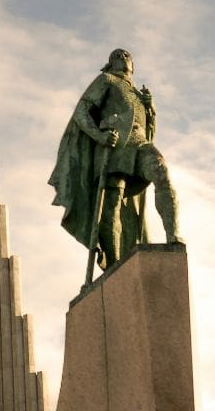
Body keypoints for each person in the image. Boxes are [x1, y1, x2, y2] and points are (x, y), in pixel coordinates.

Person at [48, 49, 181, 272]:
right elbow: (82, 111)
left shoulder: (139, 94)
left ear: (133, 65)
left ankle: (173, 234)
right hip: (115, 146)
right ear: (110, 64)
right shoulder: (106, 80)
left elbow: (150, 132)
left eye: (127, 56)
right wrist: (99, 135)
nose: (123, 57)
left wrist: (150, 108)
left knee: (161, 170)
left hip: (138, 143)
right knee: (112, 205)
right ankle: (114, 264)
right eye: (117, 56)